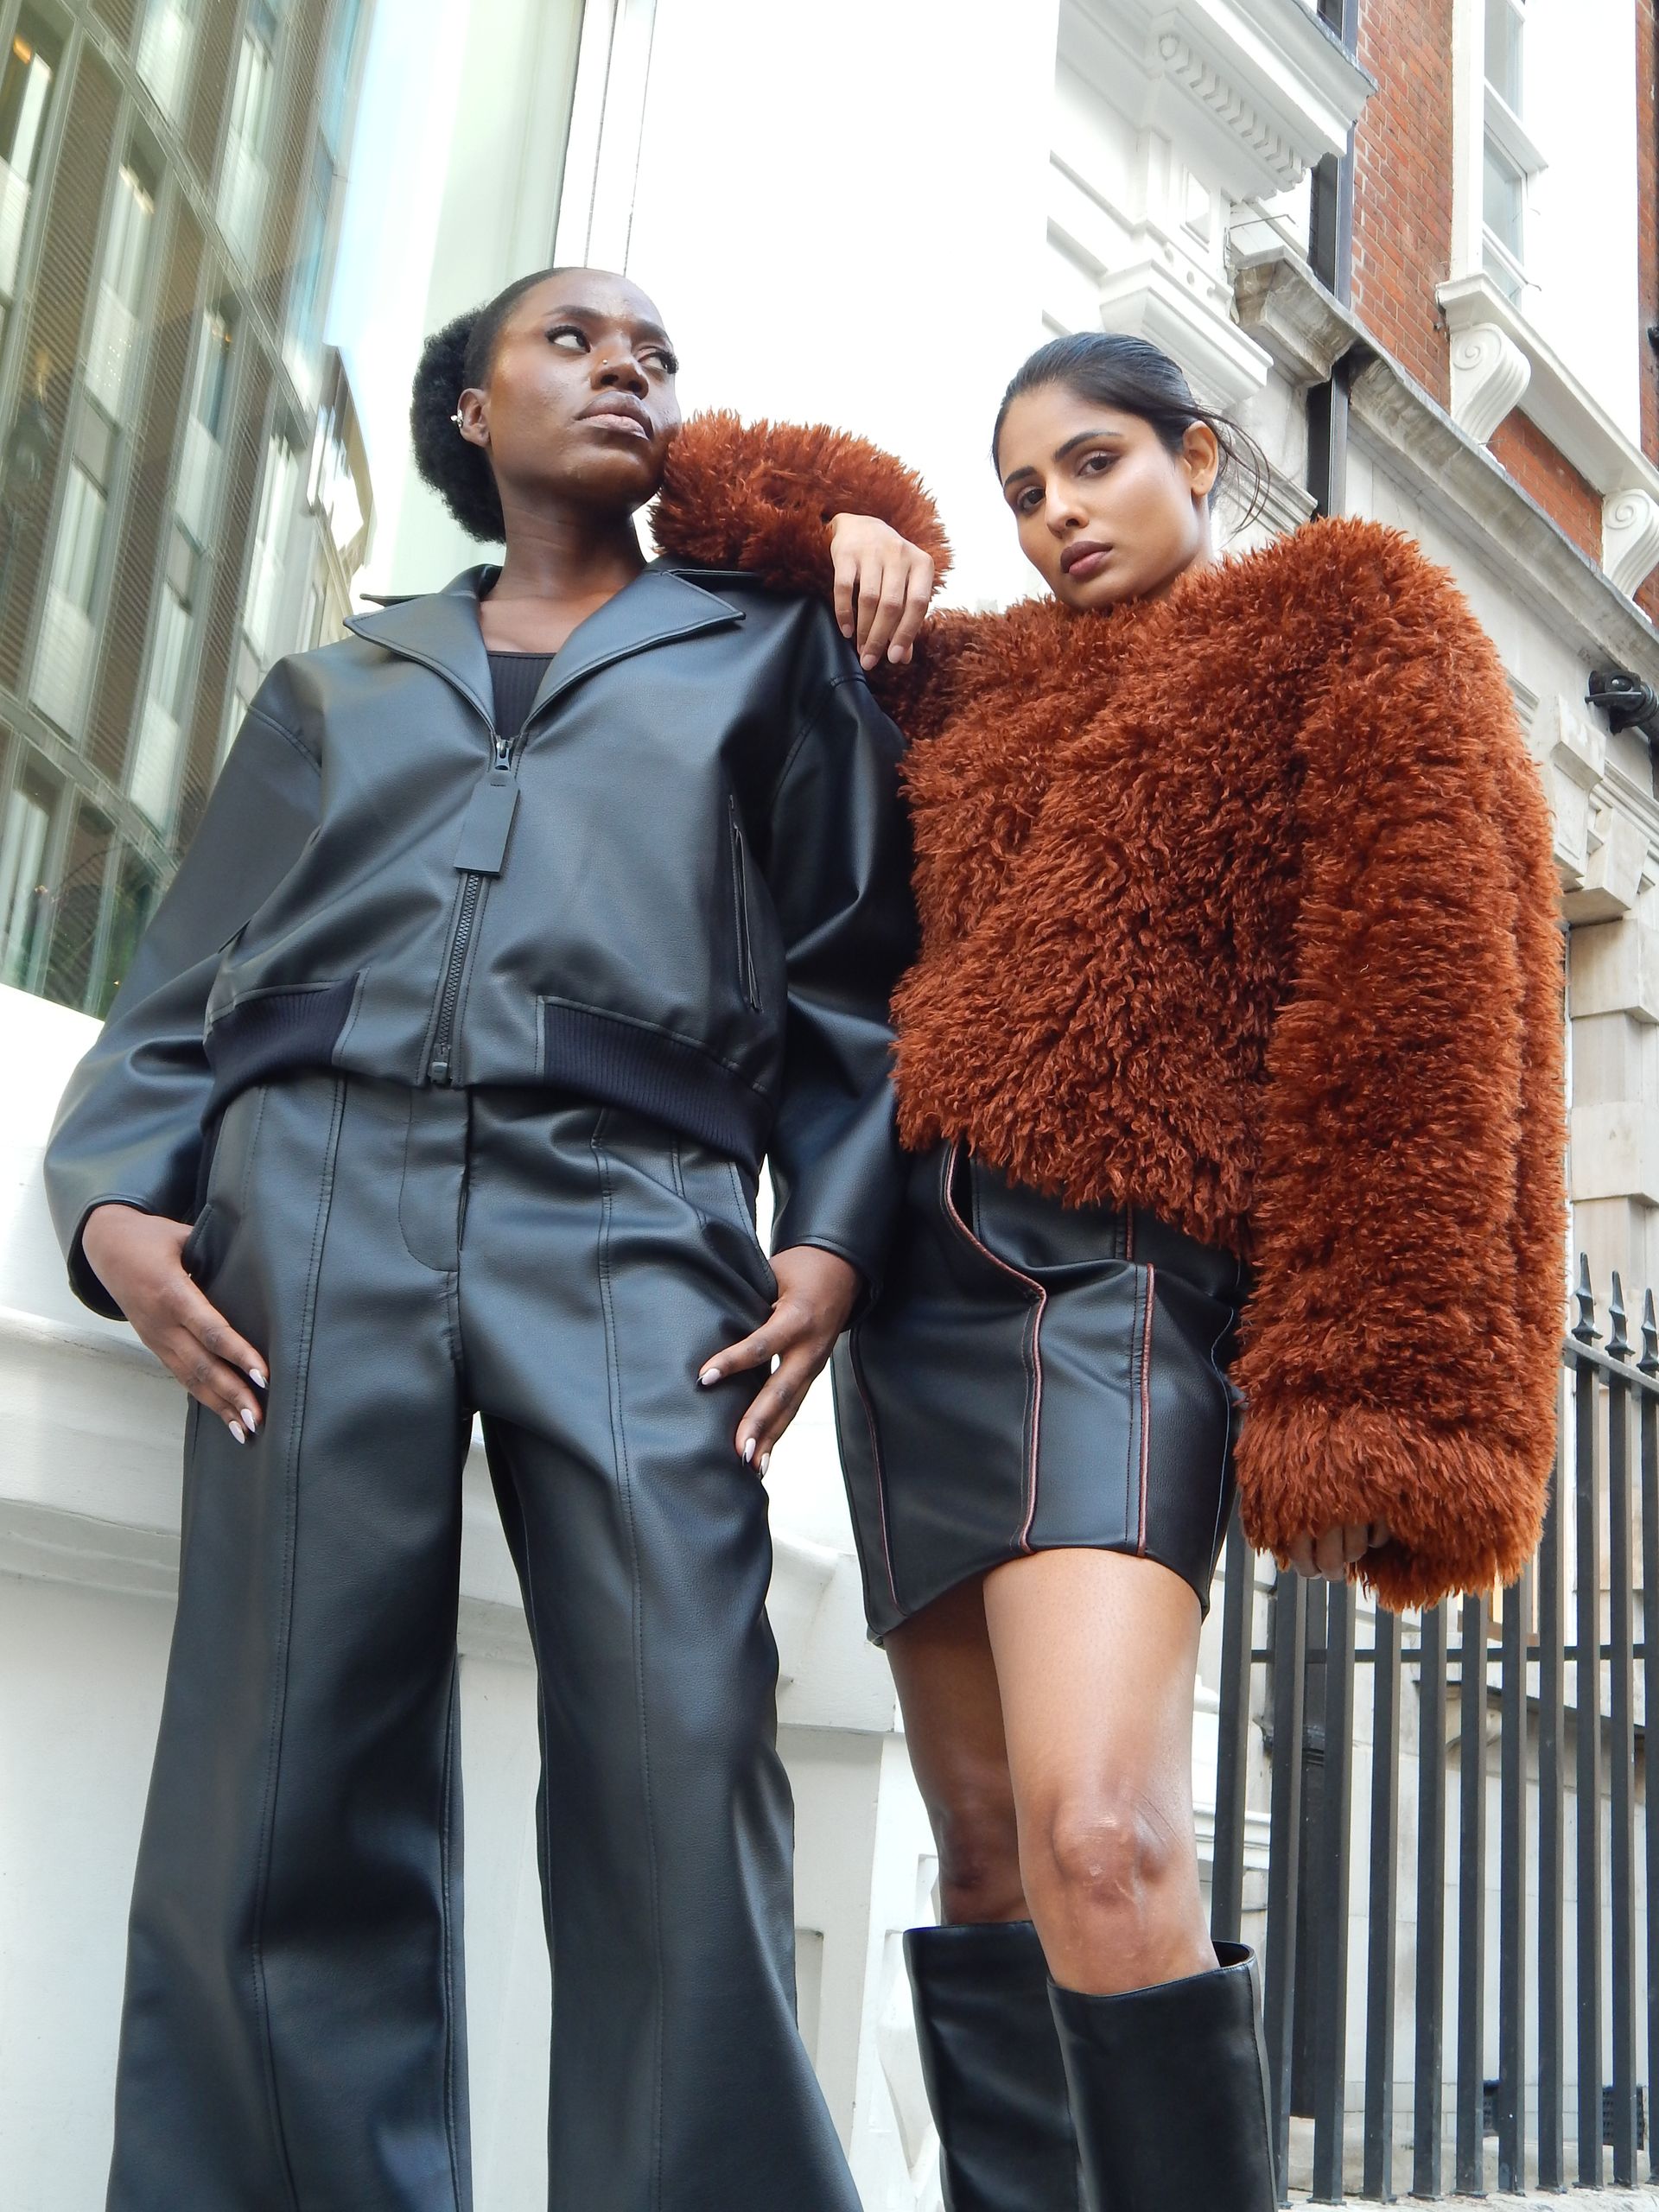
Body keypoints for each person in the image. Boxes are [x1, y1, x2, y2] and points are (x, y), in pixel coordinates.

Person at [42, 266, 932, 2212]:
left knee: (680, 1748)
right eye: (576, 340)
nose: (629, 367)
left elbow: (857, 987)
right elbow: (180, 986)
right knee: (282, 1773)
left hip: (633, 1210)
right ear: (471, 408)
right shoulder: (332, 686)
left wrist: (836, 1239)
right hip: (314, 1202)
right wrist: (112, 1199)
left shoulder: (764, 652)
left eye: (658, 353)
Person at [652, 334, 1565, 2211]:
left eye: (1092, 464)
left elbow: (1431, 980)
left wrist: (1383, 1366)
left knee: (1110, 1833)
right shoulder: (968, 680)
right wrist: (855, 523)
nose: (1057, 512)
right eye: (1022, 492)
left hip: (1121, 1285)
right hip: (914, 1303)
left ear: (1200, 454)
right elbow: (702, 494)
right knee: (985, 1853)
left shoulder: (1340, 611)